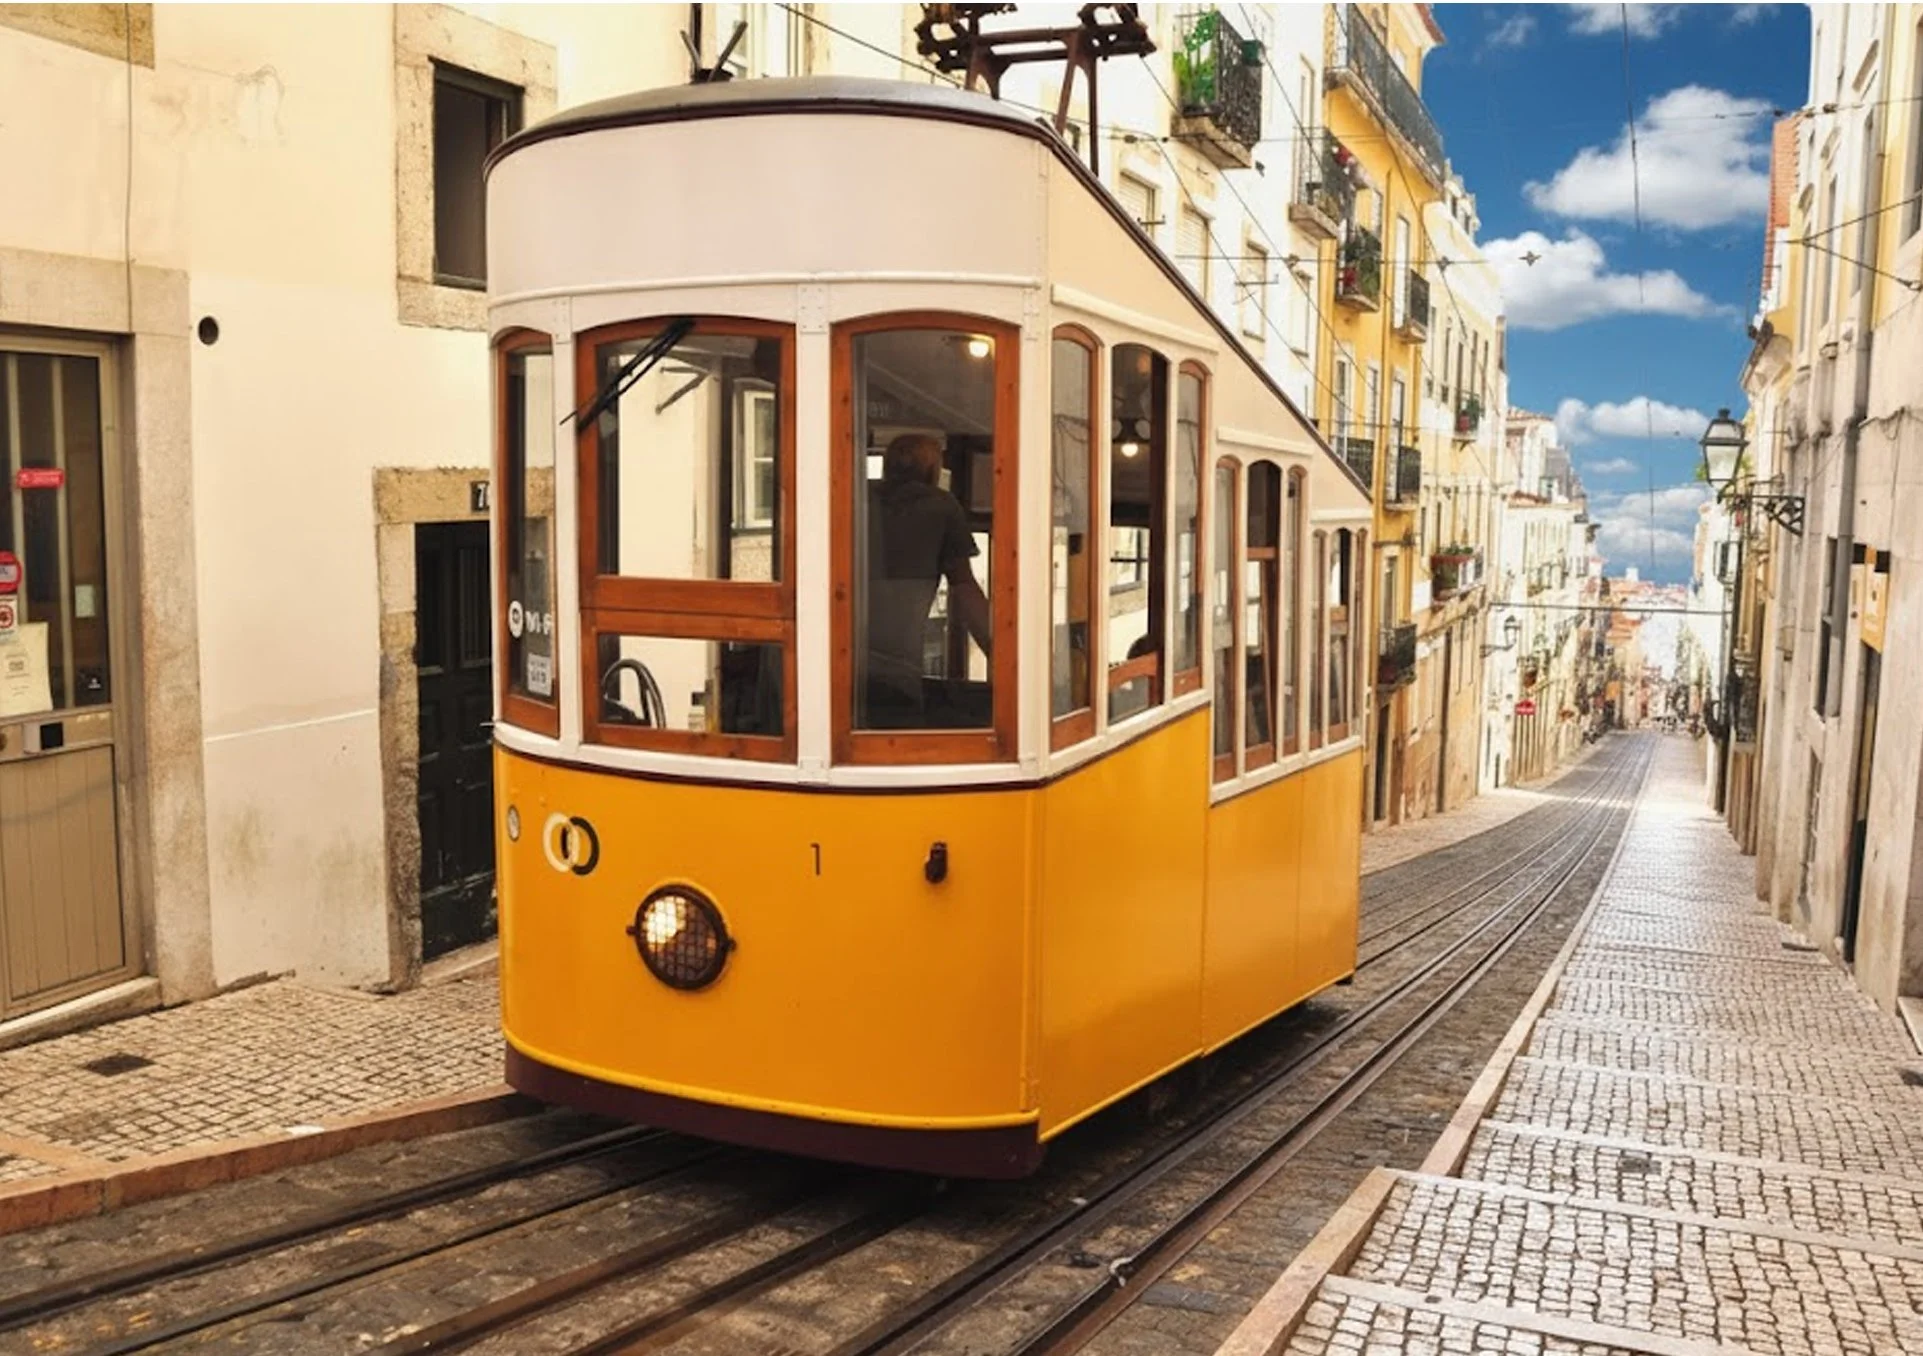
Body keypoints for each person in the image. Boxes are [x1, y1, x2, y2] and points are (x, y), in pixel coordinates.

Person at [862, 433, 992, 727]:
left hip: (839, 662)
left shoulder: (858, 498)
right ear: (934, 471)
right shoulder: (942, 507)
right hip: (900, 666)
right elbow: (964, 587)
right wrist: (1003, 654)